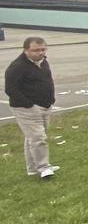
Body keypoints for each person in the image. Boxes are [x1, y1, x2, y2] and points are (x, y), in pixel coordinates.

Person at [4, 37, 58, 179]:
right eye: (36, 50)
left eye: (43, 49)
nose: (40, 53)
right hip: (26, 108)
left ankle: (33, 168)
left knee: (33, 138)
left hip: (45, 105)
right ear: (26, 50)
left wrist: (51, 99)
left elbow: (48, 81)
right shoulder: (17, 66)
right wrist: (29, 104)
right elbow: (11, 89)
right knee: (38, 137)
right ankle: (44, 167)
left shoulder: (43, 62)